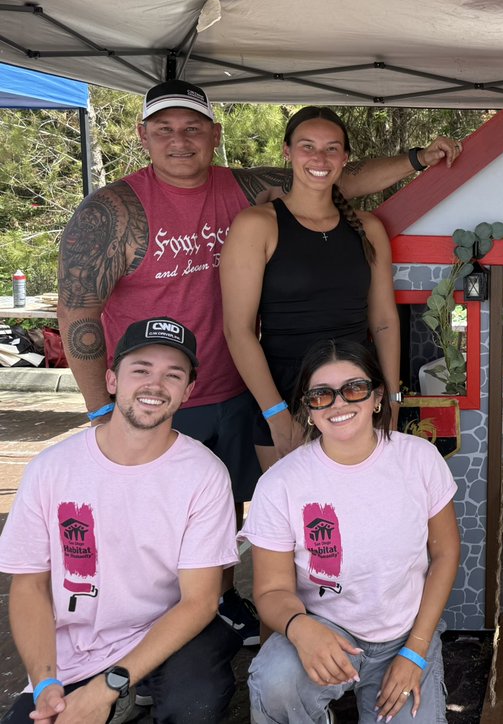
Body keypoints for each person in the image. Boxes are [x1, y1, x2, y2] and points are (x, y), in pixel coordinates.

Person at [56, 79, 461, 640]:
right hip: (162, 391)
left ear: (214, 134)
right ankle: (147, 644)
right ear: (143, 135)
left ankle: (228, 610)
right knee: (157, 519)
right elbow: (76, 313)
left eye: (193, 128)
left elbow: (336, 177)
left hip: (237, 385)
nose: (181, 140)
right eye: (165, 129)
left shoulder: (244, 187)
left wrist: (418, 158)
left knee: (232, 514)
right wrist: (102, 411)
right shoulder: (112, 211)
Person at [0, 317, 241, 724]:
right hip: (77, 652)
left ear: (188, 391)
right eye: (141, 370)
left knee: (195, 702)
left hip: (167, 634)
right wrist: (45, 685)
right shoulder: (52, 468)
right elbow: (29, 585)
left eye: (173, 375)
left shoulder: (204, 474)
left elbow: (199, 601)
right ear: (112, 379)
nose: (155, 385)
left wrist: (106, 687)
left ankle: (128, 692)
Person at [242, 339, 460, 724]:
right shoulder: (281, 483)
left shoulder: (418, 458)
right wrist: (300, 629)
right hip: (327, 628)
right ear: (309, 408)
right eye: (322, 395)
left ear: (377, 397)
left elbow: (444, 555)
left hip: (404, 635)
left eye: (354, 389)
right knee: (276, 681)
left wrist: (416, 651)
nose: (339, 404)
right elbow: (272, 590)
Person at [221, 107, 403, 471]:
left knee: (359, 514)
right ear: (287, 152)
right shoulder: (257, 224)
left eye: (331, 148)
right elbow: (238, 330)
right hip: (285, 392)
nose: (320, 158)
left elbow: (383, 320)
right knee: (293, 521)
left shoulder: (368, 228)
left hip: (357, 392)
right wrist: (276, 415)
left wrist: (392, 399)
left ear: (345, 159)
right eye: (307, 146)